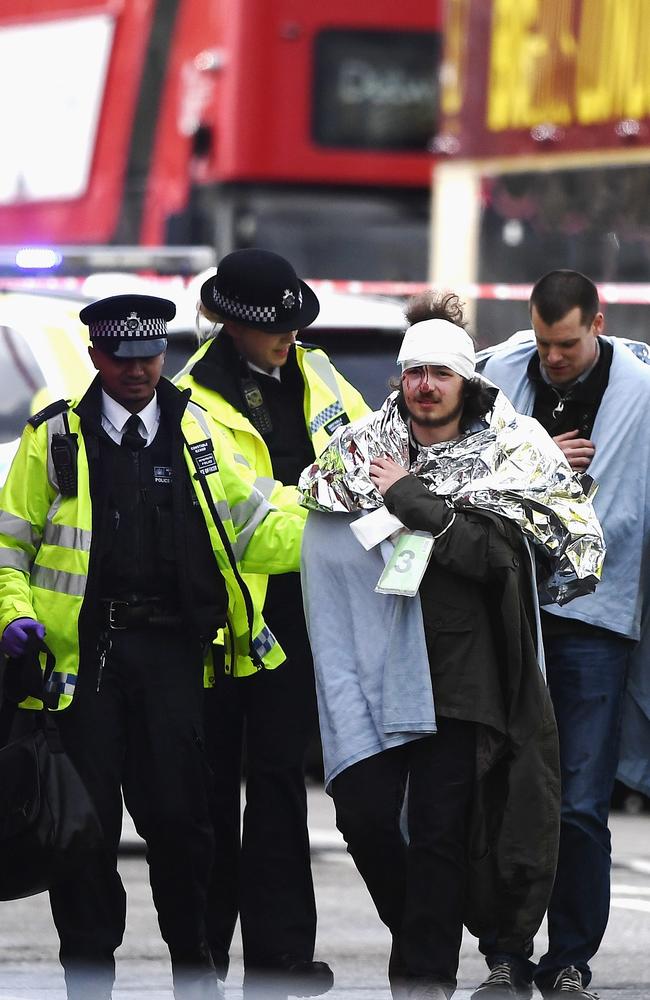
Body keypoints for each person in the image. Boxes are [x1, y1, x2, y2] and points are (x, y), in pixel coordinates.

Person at [298, 293, 602, 1000]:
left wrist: (414, 501)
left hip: (463, 672)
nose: (425, 386)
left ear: (466, 379)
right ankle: (427, 933)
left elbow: (500, 558)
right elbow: (315, 506)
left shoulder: (512, 447)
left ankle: (423, 980)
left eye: (440, 372)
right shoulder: (365, 444)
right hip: (375, 668)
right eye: (413, 373)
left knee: (440, 833)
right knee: (367, 818)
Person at [0, 294, 304, 1000]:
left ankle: (195, 973)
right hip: (84, 668)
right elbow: (8, 548)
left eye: (149, 357)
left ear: (161, 354)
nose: (138, 372)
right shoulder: (55, 440)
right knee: (85, 836)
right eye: (121, 358)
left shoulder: (197, 432)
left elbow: (257, 527)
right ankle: (87, 980)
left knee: (182, 827)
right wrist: (14, 616)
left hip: (173, 659)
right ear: (97, 358)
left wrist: (335, 526)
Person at [174, 249, 369, 998]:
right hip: (225, 625)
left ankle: (283, 959)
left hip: (300, 615)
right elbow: (246, 526)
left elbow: (369, 449)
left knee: (283, 783)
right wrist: (325, 505)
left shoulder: (316, 372)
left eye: (293, 324)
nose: (287, 338)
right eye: (272, 328)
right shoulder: (191, 399)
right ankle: (206, 960)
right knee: (213, 794)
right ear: (228, 324)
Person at [476, 269, 650, 999]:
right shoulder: (495, 377)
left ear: (599, 324)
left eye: (569, 344)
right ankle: (507, 954)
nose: (554, 358)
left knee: (579, 801)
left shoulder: (640, 392)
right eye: (546, 343)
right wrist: (536, 459)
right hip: (508, 608)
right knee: (505, 788)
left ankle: (570, 958)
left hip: (597, 617)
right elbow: (450, 472)